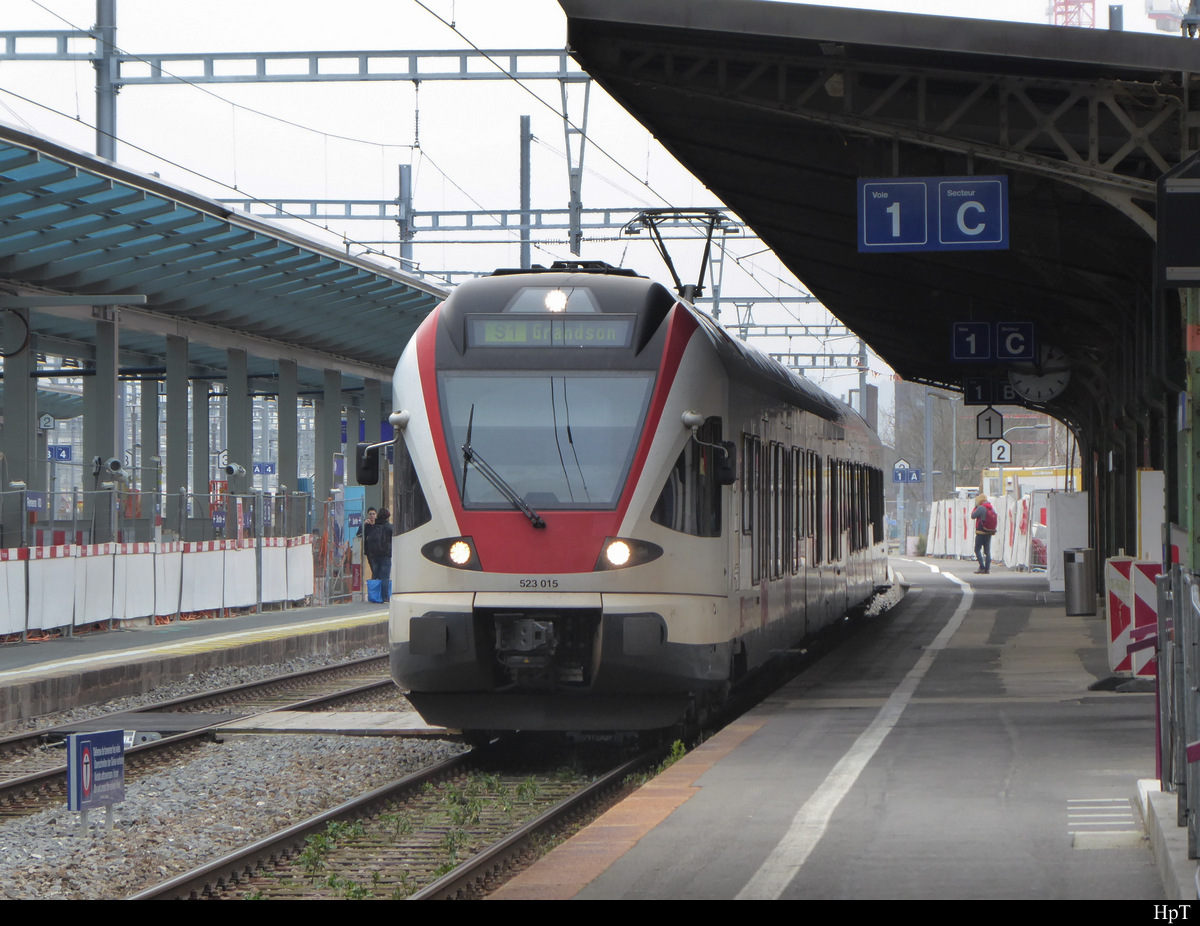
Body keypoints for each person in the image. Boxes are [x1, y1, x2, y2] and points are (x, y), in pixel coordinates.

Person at [366, 507, 392, 597]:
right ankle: (385, 596)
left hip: (374, 555)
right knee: (385, 576)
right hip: (385, 555)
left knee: (375, 575)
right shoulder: (389, 527)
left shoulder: (373, 526)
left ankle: (373, 596)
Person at [971, 493, 996, 574]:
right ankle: (987, 568)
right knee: (987, 550)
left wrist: (975, 507)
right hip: (989, 531)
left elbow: (973, 516)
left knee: (977, 549)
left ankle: (982, 566)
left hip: (981, 531)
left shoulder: (981, 508)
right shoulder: (991, 508)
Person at [357, 507, 377, 577]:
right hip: (369, 551)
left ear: (376, 515)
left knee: (376, 569)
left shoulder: (378, 525)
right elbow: (358, 535)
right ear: (368, 515)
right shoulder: (365, 525)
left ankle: (375, 581)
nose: (372, 516)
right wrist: (363, 525)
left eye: (373, 514)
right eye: (370, 514)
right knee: (373, 568)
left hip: (378, 550)